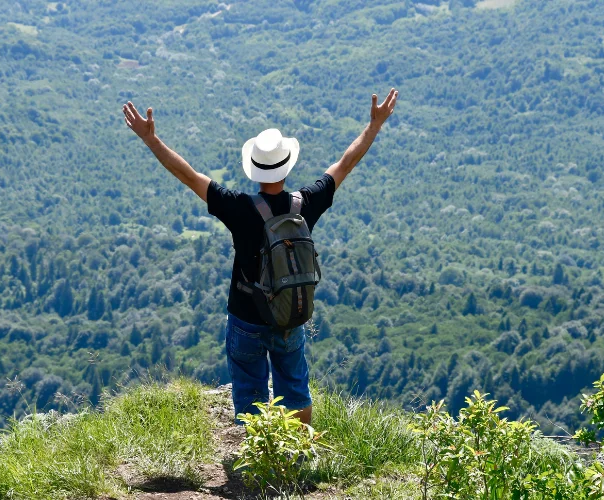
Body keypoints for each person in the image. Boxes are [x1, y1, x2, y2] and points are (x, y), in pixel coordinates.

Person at [123, 89, 398, 424]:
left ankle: (257, 465)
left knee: (250, 394)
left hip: (245, 319)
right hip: (289, 314)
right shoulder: (305, 204)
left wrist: (151, 139)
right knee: (295, 390)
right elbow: (345, 163)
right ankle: (297, 458)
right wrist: (374, 125)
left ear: (255, 168)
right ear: (286, 166)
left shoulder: (238, 207)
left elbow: (188, 176)